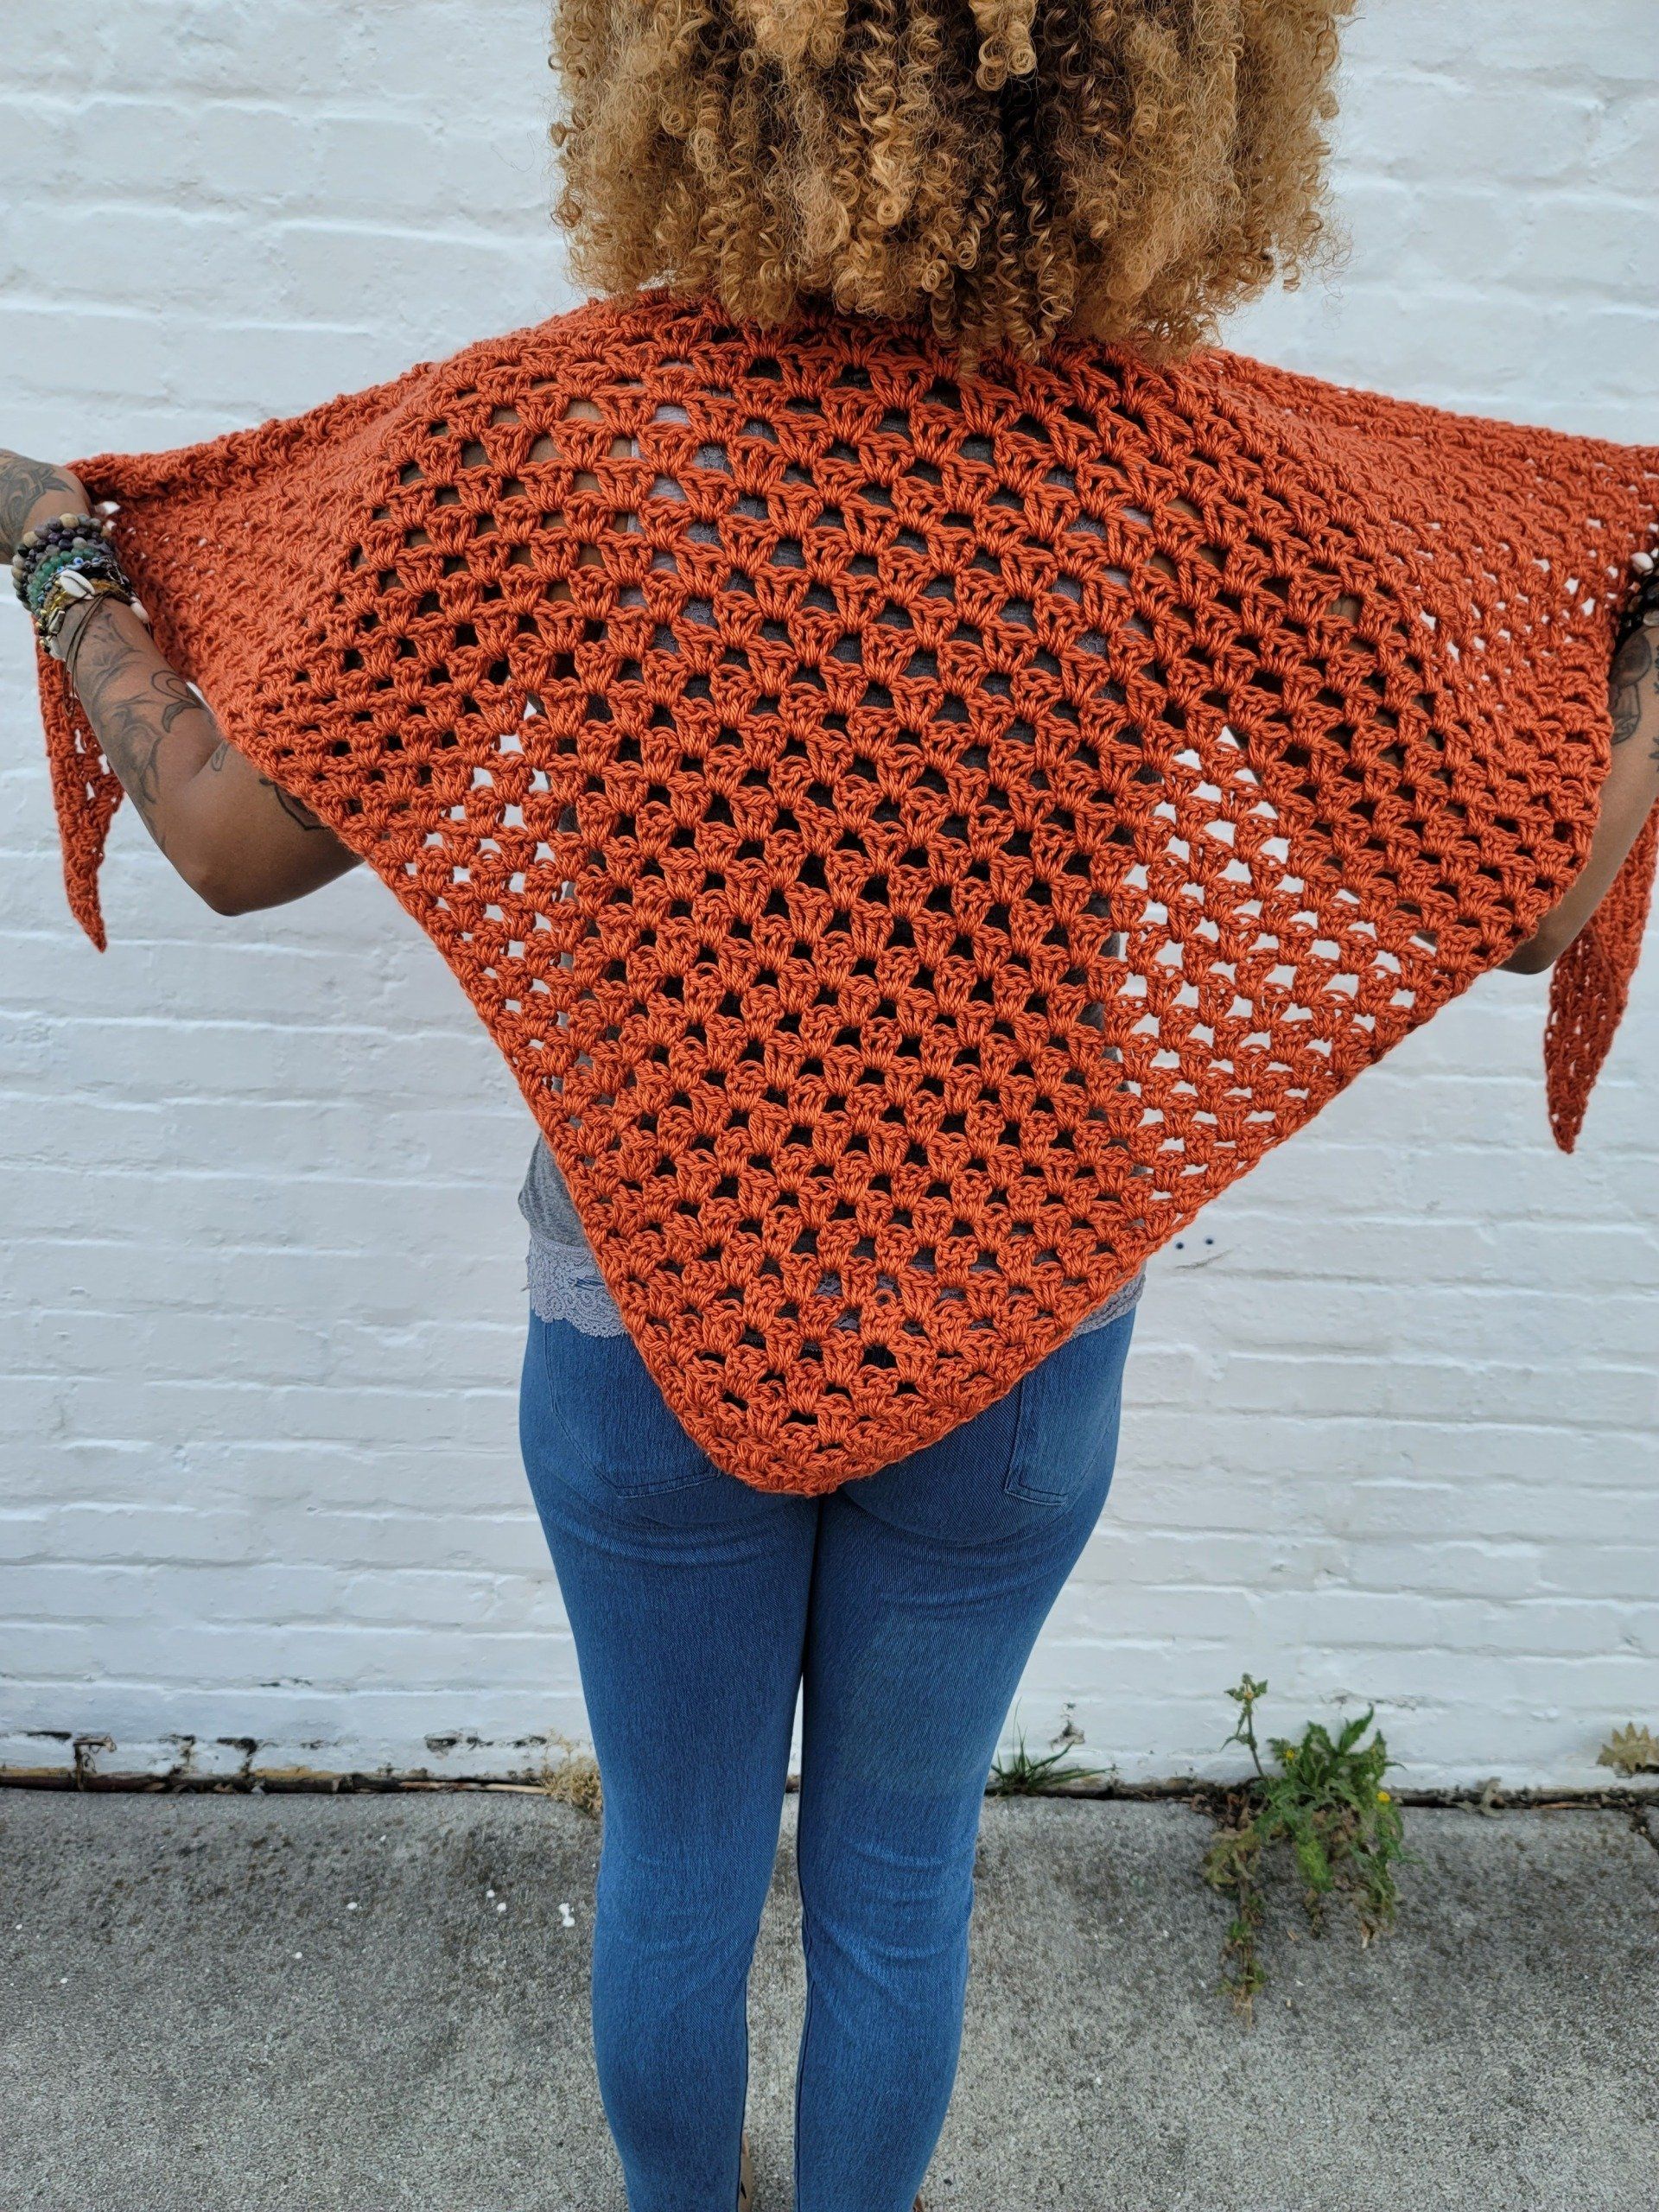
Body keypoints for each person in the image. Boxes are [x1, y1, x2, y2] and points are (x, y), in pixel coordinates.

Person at [7, 7, 1658, 2209]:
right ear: (1175, 100)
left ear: (680, 69)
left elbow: (218, 830)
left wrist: (60, 562)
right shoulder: (1211, 473)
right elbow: (1531, 909)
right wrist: (1643, 685)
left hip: (632, 1311)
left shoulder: (549, 432)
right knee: (902, 1877)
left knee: (680, 1874)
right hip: (1020, 1314)